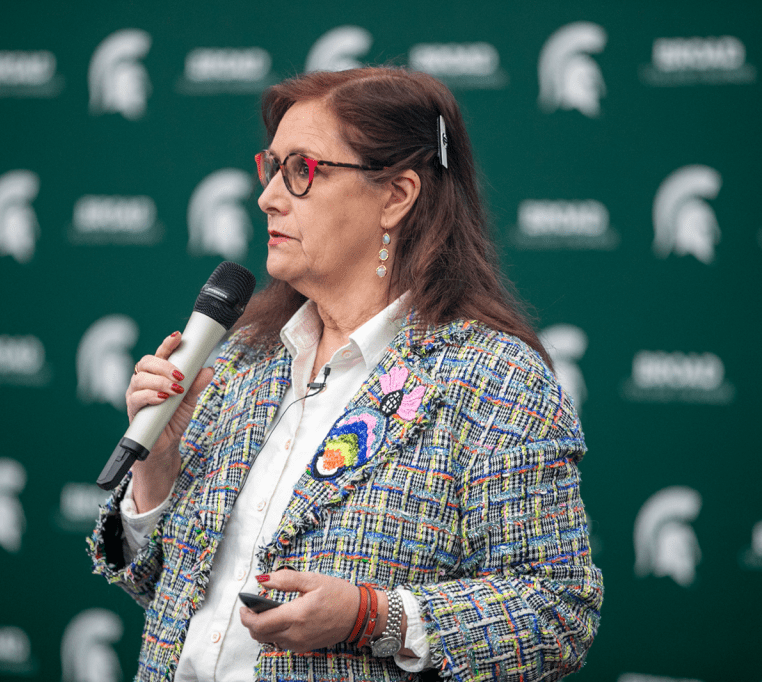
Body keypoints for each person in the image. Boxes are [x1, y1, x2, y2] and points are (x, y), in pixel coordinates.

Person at [89, 66, 602, 682]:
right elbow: (164, 595)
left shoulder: (493, 377)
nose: (268, 196)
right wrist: (158, 467)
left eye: (302, 169)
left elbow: (558, 610)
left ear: (396, 195)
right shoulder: (238, 361)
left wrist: (374, 617)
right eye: (271, 166)